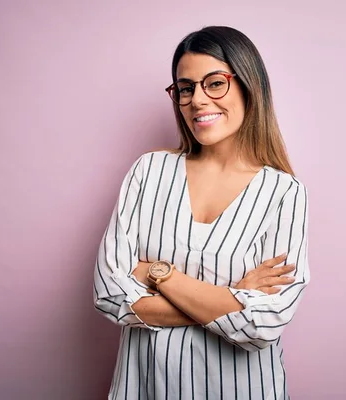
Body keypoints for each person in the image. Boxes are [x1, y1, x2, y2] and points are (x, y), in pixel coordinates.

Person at [93, 25, 310, 400]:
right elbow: (110, 293)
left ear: (248, 85)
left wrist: (160, 276)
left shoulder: (283, 192)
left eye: (215, 83)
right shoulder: (149, 171)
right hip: (145, 388)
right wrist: (233, 296)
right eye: (186, 88)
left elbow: (263, 323)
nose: (197, 100)